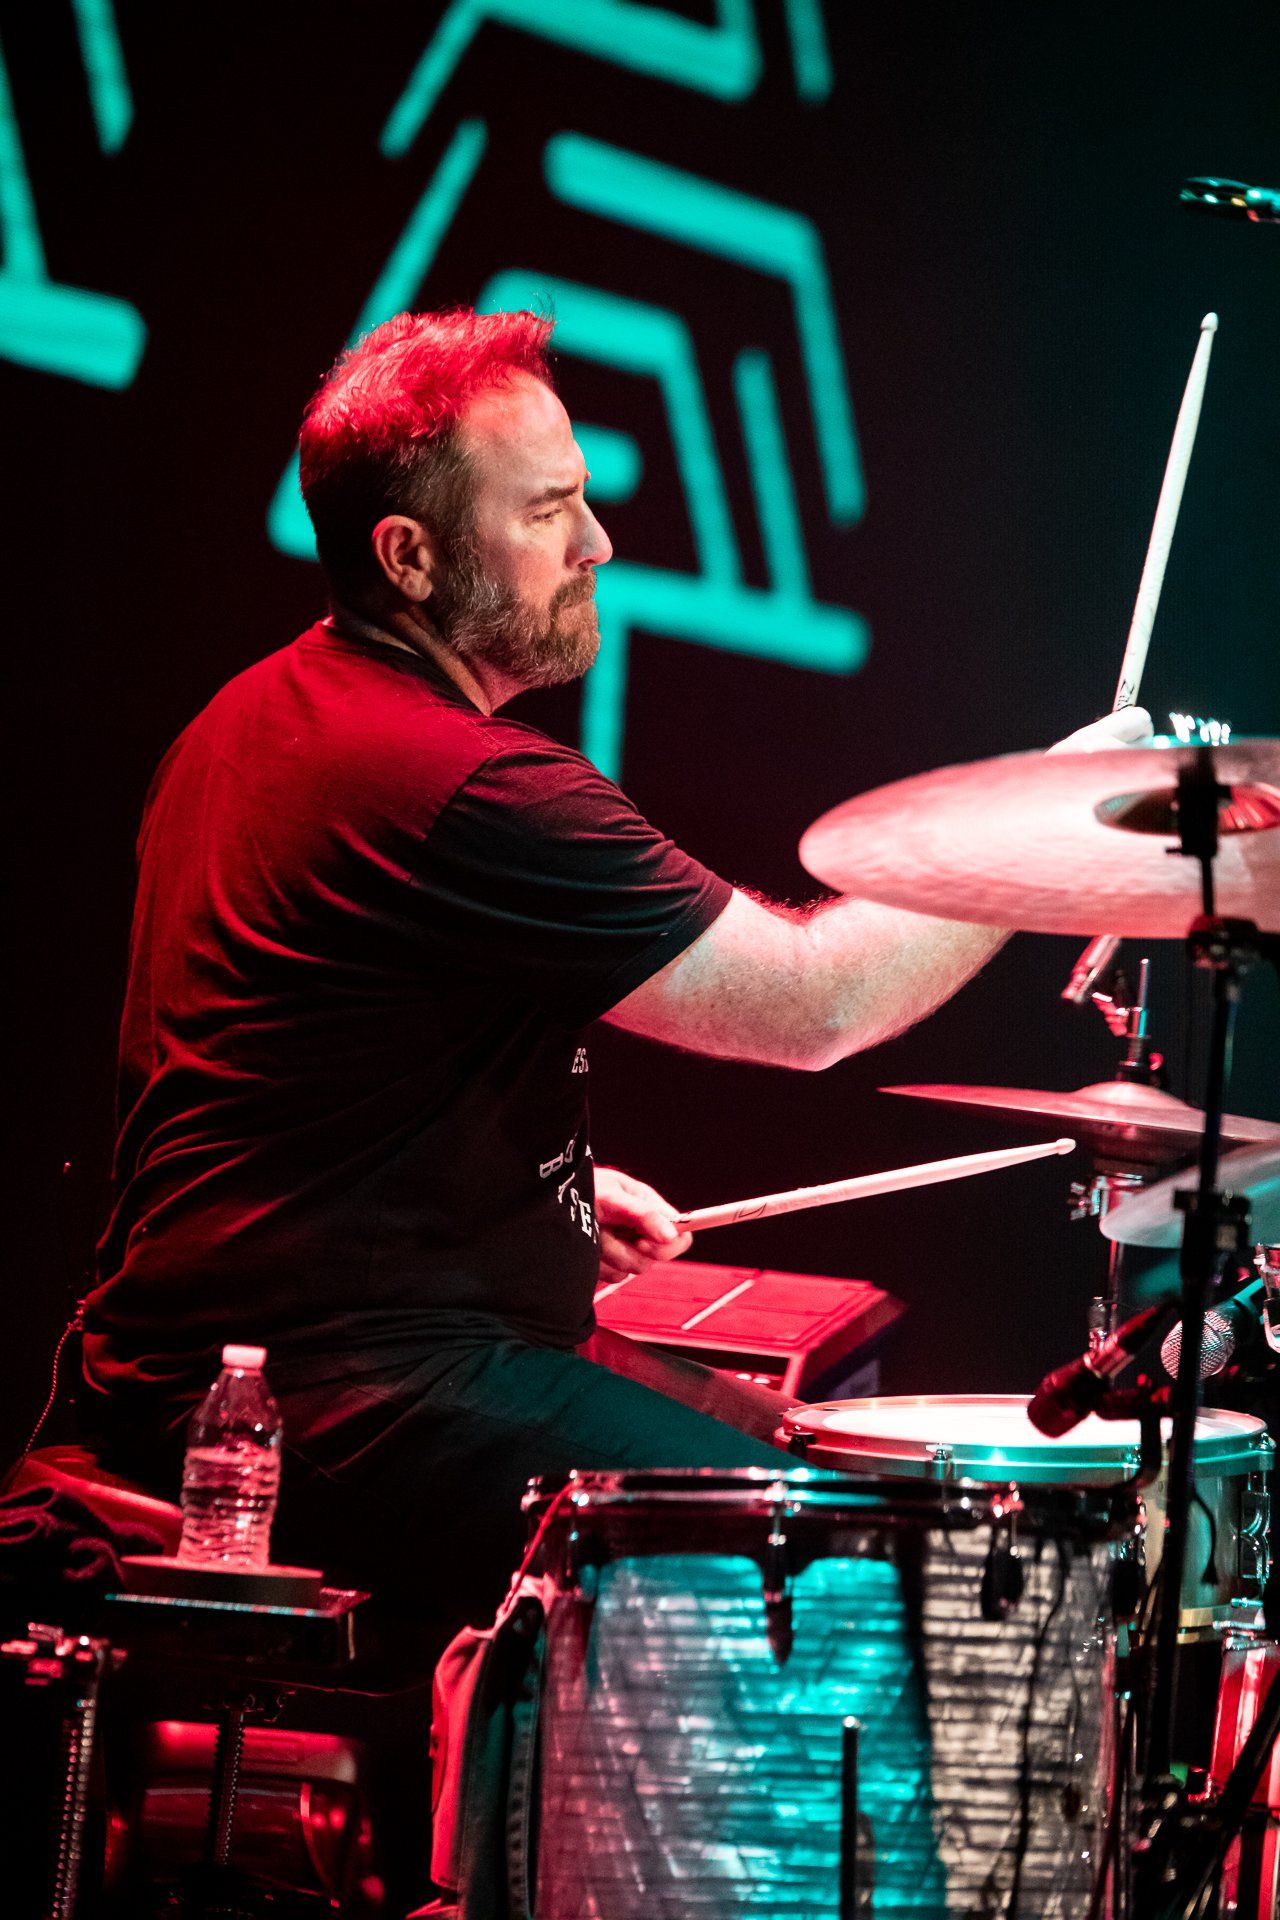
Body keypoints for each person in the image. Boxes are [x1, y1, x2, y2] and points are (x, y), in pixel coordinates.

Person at [79, 307, 1149, 1624]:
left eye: (582, 498)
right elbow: (820, 1002)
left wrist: (538, 1206)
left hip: (196, 1372)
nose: (598, 542)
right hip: (341, 1405)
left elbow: (275, 1087)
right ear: (410, 555)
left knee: (787, 1436)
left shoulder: (239, 723)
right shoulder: (463, 784)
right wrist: (1045, 820)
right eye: (547, 513)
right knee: (842, 1563)